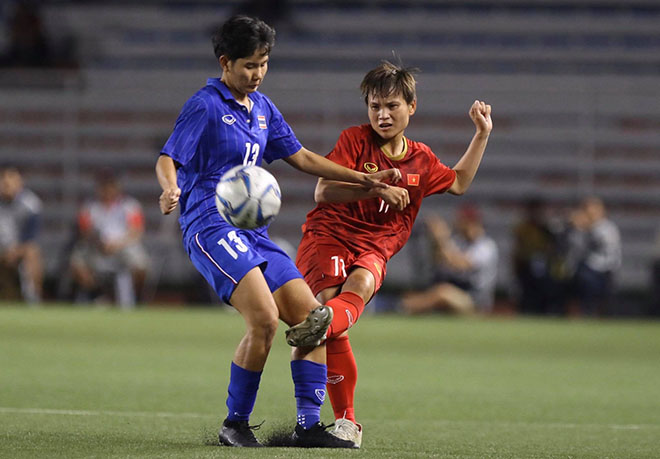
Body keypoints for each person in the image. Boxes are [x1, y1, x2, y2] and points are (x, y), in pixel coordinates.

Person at [155, 15, 399, 448]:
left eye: (264, 63)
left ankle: (307, 426)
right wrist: (170, 187)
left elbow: (302, 157)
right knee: (265, 320)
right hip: (210, 226)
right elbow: (168, 156)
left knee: (314, 322)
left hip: (254, 233)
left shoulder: (264, 109)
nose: (258, 73)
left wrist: (365, 180)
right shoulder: (205, 104)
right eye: (250, 65)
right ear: (225, 62)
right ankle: (235, 423)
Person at [289, 61, 492, 447]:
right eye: (374, 106)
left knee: (356, 290)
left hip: (377, 244)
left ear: (411, 107)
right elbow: (323, 192)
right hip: (330, 235)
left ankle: (322, 332)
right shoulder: (354, 140)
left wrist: (481, 134)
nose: (382, 115)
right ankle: (342, 419)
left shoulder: (422, 159)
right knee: (334, 312)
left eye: (392, 106)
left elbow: (460, 183)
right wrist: (374, 188)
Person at [68, 173, 148, 308]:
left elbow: (136, 231)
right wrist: (99, 243)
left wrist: (117, 244)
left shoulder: (130, 206)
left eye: (110, 187)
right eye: (103, 187)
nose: (107, 191)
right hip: (97, 246)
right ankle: (97, 295)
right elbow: (84, 231)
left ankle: (135, 296)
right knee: (76, 263)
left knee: (141, 266)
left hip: (123, 245)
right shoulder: (89, 207)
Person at [401, 205, 498, 315]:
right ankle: (409, 306)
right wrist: (435, 242)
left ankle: (403, 308)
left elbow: (460, 264)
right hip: (458, 290)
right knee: (428, 292)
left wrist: (442, 238)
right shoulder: (459, 241)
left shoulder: (485, 246)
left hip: (474, 300)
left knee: (442, 293)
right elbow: (439, 262)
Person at [0, 164, 43, 303]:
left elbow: (31, 239)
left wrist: (14, 252)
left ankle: (32, 299)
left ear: (20, 182)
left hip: (19, 250)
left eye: (11, 179)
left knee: (32, 253)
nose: (7, 184)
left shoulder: (31, 204)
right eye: (3, 180)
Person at [572, 196, 621, 316]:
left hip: (604, 268)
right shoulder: (582, 229)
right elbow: (576, 246)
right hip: (588, 267)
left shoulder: (607, 227)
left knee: (603, 298)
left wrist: (586, 228)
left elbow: (604, 244)